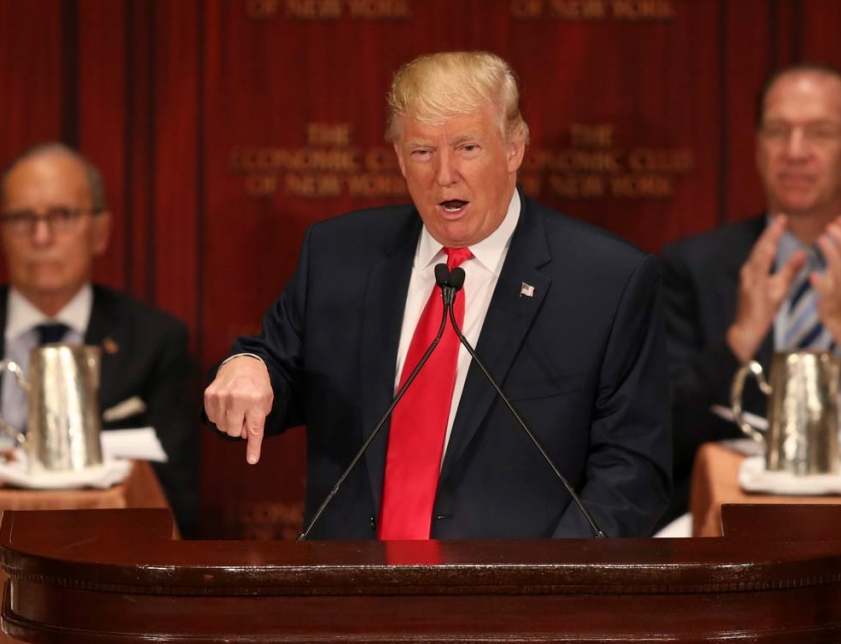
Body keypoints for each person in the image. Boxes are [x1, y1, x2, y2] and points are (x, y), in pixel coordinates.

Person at [204, 51, 671, 541]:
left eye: (467, 147)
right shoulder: (338, 256)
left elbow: (634, 473)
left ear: (514, 148)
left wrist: (544, 586)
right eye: (423, 151)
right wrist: (247, 368)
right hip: (348, 596)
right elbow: (275, 366)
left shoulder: (608, 281)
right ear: (400, 159)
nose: (444, 174)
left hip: (517, 604)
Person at [656, 62, 841, 530]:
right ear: (757, 148)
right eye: (777, 131)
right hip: (731, 520)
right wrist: (739, 339)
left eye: (820, 133)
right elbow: (657, 436)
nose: (795, 152)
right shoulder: (692, 267)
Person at [0, 142, 202, 539]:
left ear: (100, 231)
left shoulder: (154, 340)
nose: (41, 236)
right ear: (1, 233)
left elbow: (175, 499)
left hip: (103, 553)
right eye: (22, 218)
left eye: (62, 216)